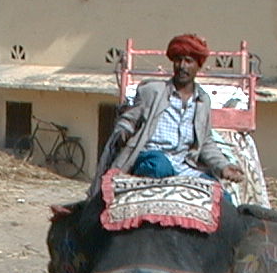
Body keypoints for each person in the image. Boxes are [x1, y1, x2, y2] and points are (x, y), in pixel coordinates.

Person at [94, 33, 245, 193]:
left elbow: (205, 142)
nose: (182, 66)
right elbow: (128, 121)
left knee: (220, 197)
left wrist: (223, 166)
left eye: (189, 61)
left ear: (198, 66)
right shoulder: (152, 91)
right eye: (178, 60)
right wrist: (122, 133)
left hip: (183, 165)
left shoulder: (202, 101)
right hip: (152, 158)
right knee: (158, 166)